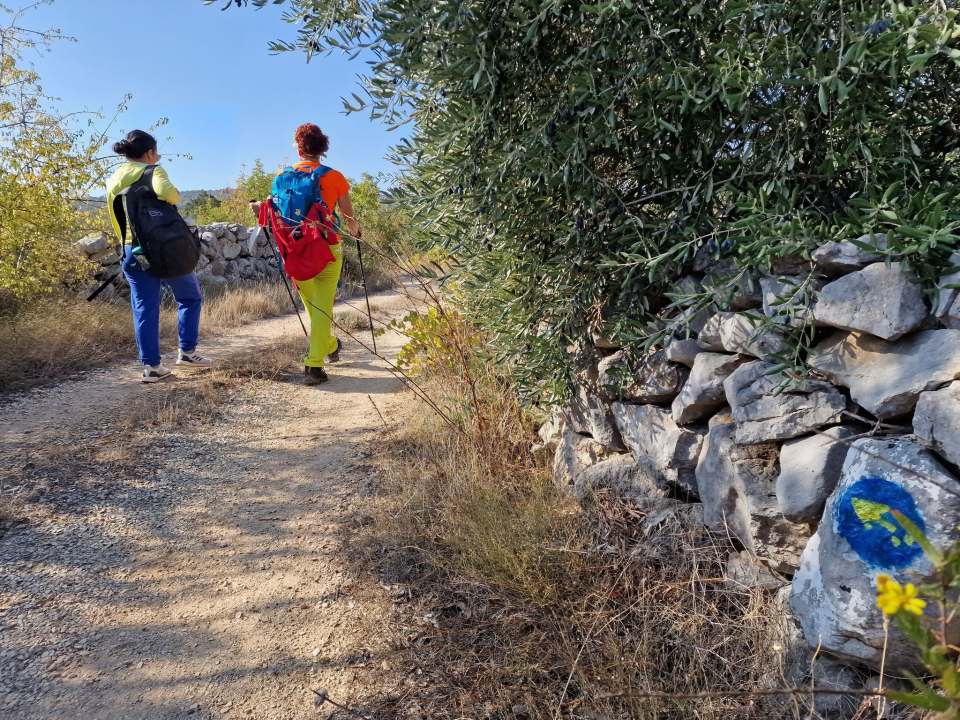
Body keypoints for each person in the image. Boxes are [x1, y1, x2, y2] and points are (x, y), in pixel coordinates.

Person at [252, 123, 361, 385]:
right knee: (322, 308)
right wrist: (357, 232)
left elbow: (273, 214)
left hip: (295, 249)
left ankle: (331, 344)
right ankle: (313, 365)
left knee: (314, 307)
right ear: (323, 148)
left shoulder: (281, 177)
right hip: (327, 248)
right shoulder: (334, 177)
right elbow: (349, 218)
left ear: (298, 148)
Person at [107, 130, 211, 383]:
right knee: (189, 297)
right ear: (151, 153)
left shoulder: (114, 179)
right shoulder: (153, 171)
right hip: (163, 250)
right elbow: (170, 194)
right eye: (157, 153)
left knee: (144, 308)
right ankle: (187, 352)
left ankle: (151, 367)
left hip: (132, 251)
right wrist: (171, 193)